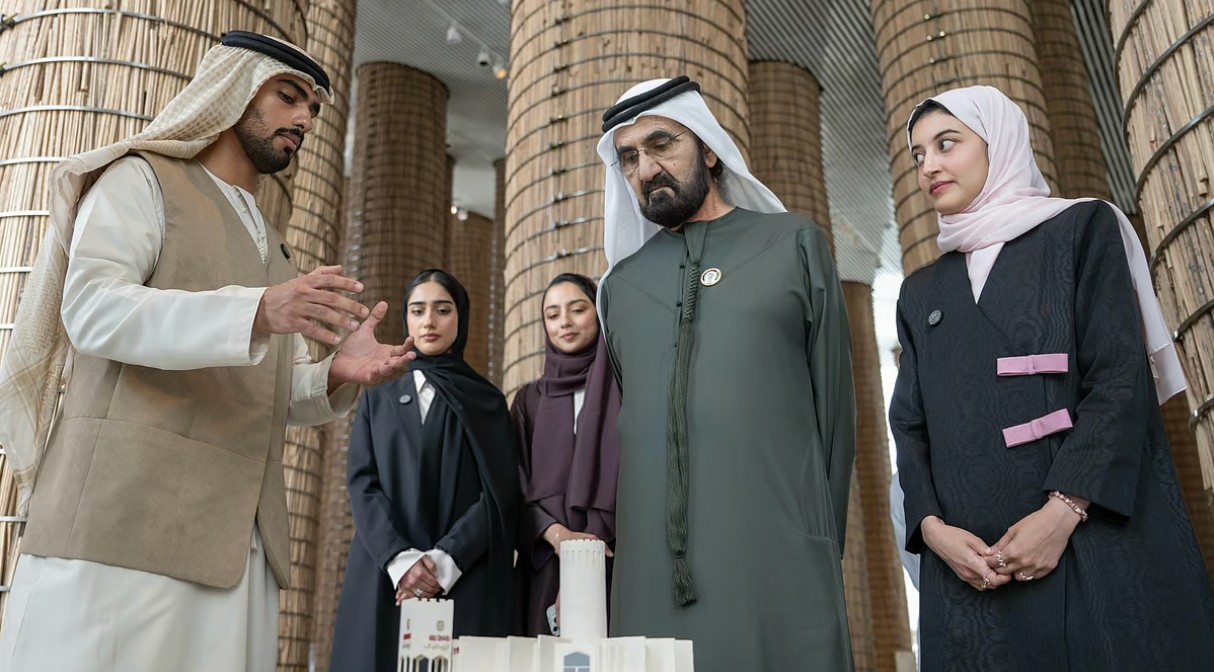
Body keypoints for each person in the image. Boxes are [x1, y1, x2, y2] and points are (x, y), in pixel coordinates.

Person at [0, 32, 413, 671]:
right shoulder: (141, 179)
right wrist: (256, 310)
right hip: (126, 529)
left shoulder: (271, 242)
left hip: (237, 550)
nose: (304, 119)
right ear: (232, 91)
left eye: (312, 108)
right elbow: (92, 311)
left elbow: (255, 389)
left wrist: (333, 374)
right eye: (288, 96)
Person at [891, 84, 1214, 670]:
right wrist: (932, 530)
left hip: (1084, 532)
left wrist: (1062, 512)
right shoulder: (920, 290)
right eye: (918, 154)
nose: (928, 165)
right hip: (970, 567)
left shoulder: (1082, 229)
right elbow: (909, 426)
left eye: (946, 143)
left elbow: (1119, 378)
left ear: (999, 143)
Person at [595, 76, 857, 671]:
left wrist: (816, 542)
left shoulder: (793, 243)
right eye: (629, 158)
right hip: (651, 575)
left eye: (662, 144)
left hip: (778, 557)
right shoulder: (621, 288)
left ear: (709, 150)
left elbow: (835, 414)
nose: (645, 169)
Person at [330, 269, 520, 670]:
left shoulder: (487, 401)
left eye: (442, 310)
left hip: (464, 575)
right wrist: (401, 561)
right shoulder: (377, 397)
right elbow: (362, 484)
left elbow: (499, 493)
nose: (429, 321)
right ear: (406, 319)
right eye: (417, 311)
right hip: (385, 574)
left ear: (461, 316)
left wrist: (443, 562)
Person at [511, 273, 621, 636]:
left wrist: (590, 549)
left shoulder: (626, 387)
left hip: (617, 558)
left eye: (578, 309)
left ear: (599, 313)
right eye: (553, 314)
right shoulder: (529, 400)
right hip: (546, 559)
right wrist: (558, 536)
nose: (565, 323)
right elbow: (514, 484)